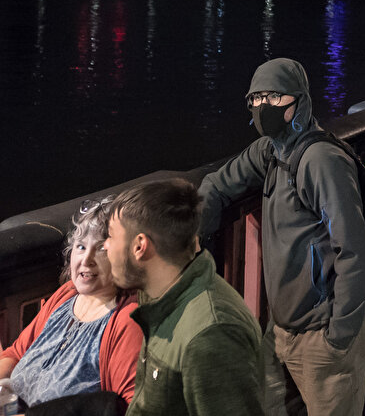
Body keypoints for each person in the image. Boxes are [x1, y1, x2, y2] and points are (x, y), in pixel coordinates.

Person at [198, 58, 365, 416]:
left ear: (300, 101)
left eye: (275, 97)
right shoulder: (271, 150)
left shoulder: (321, 160)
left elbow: (354, 250)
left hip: (325, 331)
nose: (264, 107)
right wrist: (193, 241)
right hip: (280, 328)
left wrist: (339, 335)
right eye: (257, 98)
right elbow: (217, 184)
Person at [106, 178, 264, 416]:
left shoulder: (210, 334)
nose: (105, 246)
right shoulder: (161, 297)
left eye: (110, 236)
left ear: (140, 246)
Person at [0, 198, 140, 413]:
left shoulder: (126, 319)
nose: (87, 259)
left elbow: (129, 408)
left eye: (102, 248)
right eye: (81, 246)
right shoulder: (66, 295)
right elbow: (15, 354)